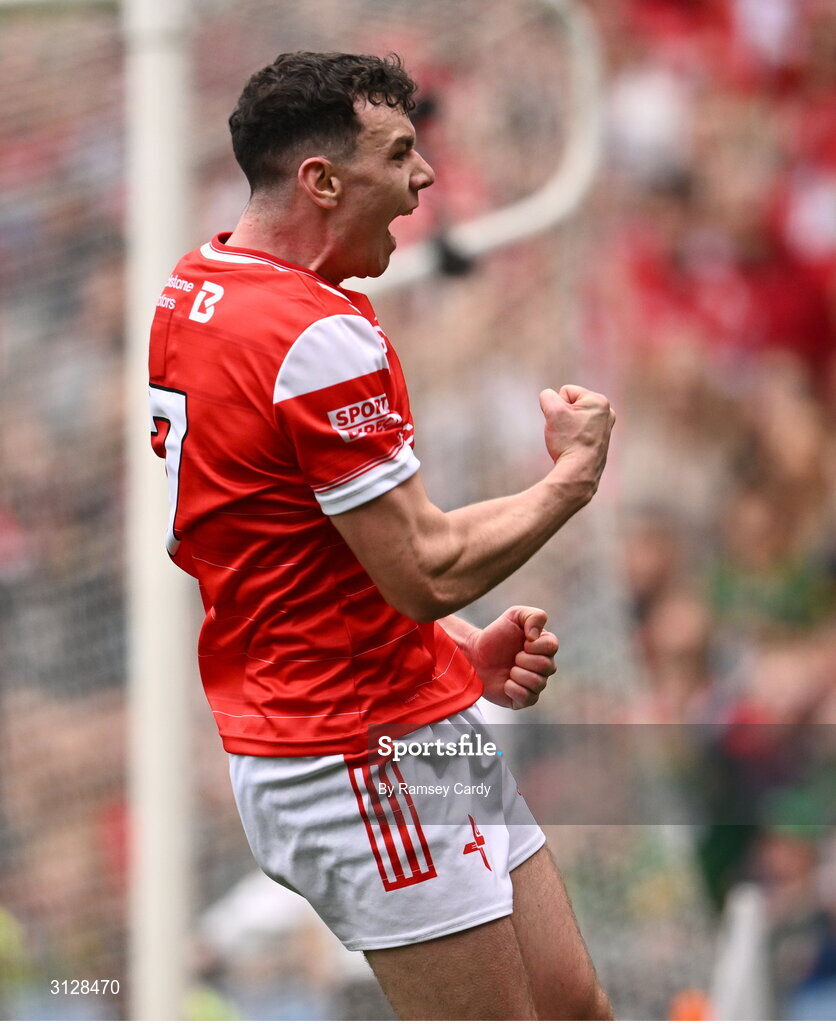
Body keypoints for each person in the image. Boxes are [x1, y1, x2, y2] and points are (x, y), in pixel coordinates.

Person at [148, 51, 614, 1020]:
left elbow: (298, 551)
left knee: (575, 1006)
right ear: (320, 179)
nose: (426, 178)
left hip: (404, 710)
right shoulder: (311, 338)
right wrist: (569, 480)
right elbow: (422, 567)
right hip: (355, 752)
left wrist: (452, 657)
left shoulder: (194, 288)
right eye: (399, 153)